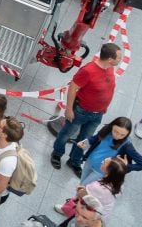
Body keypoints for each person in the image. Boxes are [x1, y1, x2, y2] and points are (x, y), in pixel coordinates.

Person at [52, 43, 123, 176]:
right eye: (119, 58)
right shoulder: (88, 70)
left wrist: (104, 106)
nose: (120, 60)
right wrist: (69, 109)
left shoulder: (109, 68)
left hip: (98, 114)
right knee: (66, 134)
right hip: (81, 111)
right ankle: (57, 153)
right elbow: (73, 87)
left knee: (85, 139)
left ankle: (74, 160)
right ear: (110, 59)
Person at [54, 158, 126, 221]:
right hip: (100, 217)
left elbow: (83, 198)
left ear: (108, 171)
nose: (101, 162)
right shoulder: (119, 184)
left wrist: (80, 190)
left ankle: (66, 210)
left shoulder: (98, 188)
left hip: (89, 216)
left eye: (104, 162)